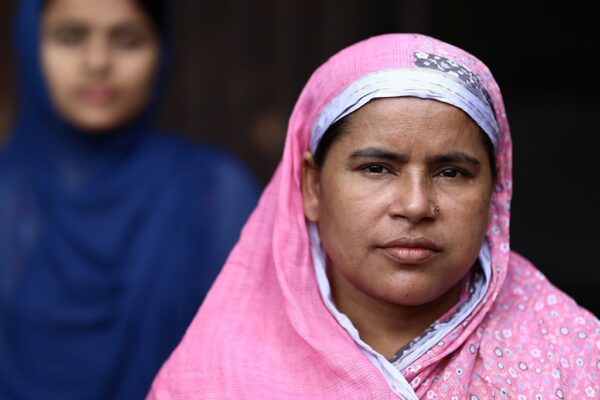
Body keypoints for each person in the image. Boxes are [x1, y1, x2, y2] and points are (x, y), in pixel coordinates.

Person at [147, 34, 599, 399]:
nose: (416, 205)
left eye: (452, 172)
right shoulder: (218, 376)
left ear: (494, 189)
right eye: (377, 168)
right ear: (311, 185)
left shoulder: (572, 356)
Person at [0, 0, 259, 398]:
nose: (98, 61)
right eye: (71, 37)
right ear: (30, 44)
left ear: (163, 49)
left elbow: (250, 364)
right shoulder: (7, 194)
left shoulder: (213, 190)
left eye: (128, 40)